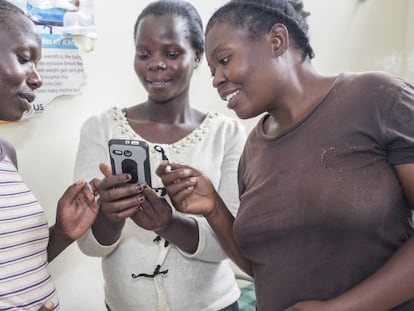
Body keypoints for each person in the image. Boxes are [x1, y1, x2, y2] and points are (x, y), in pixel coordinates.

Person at [156, 0, 414, 310]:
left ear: (277, 41)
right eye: (212, 71)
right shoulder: (252, 151)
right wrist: (214, 209)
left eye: (224, 60)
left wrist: (340, 308)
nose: (216, 79)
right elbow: (266, 267)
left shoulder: (379, 99)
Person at [73, 1, 246, 310]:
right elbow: (88, 244)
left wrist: (168, 224)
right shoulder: (100, 129)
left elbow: (230, 245)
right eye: (144, 54)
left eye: (171, 53)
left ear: (197, 56)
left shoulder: (227, 135)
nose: (155, 63)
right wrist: (109, 218)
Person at [0, 1, 99, 310]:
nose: (38, 79)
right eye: (25, 59)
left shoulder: (6, 153)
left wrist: (63, 233)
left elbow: (13, 270)